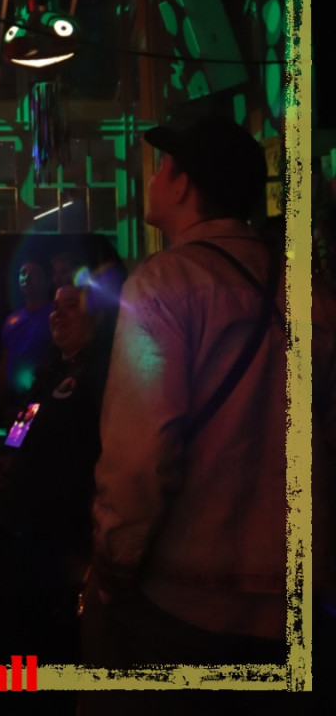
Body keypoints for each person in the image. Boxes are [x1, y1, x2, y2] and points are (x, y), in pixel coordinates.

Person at [80, 115, 285, 712]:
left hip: (182, 599)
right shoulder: (311, 291)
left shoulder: (164, 283)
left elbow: (138, 455)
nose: (153, 176)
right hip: (291, 602)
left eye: (163, 166)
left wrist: (112, 566)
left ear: (184, 184)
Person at [0, 282, 111, 664]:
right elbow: (28, 411)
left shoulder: (102, 372)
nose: (58, 314)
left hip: (68, 522)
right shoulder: (51, 367)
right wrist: (10, 450)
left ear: (96, 317)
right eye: (56, 306)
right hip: (31, 518)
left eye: (70, 306)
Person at [0, 257, 54, 420]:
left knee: (25, 434)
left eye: (34, 273)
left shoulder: (55, 313)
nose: (27, 277)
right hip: (12, 401)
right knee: (11, 435)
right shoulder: (11, 320)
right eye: (23, 273)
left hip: (40, 399)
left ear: (47, 280)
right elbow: (5, 362)